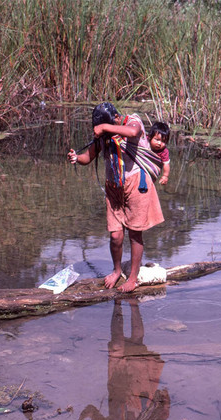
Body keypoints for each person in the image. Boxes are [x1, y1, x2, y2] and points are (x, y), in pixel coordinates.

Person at [67, 102, 164, 293]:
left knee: (135, 234)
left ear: (115, 118)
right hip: (114, 189)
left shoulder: (132, 121)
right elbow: (89, 156)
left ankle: (134, 278)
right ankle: (117, 270)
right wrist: (76, 158)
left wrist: (104, 127)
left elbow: (134, 132)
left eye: (107, 125)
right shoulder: (104, 136)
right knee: (115, 235)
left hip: (137, 185)